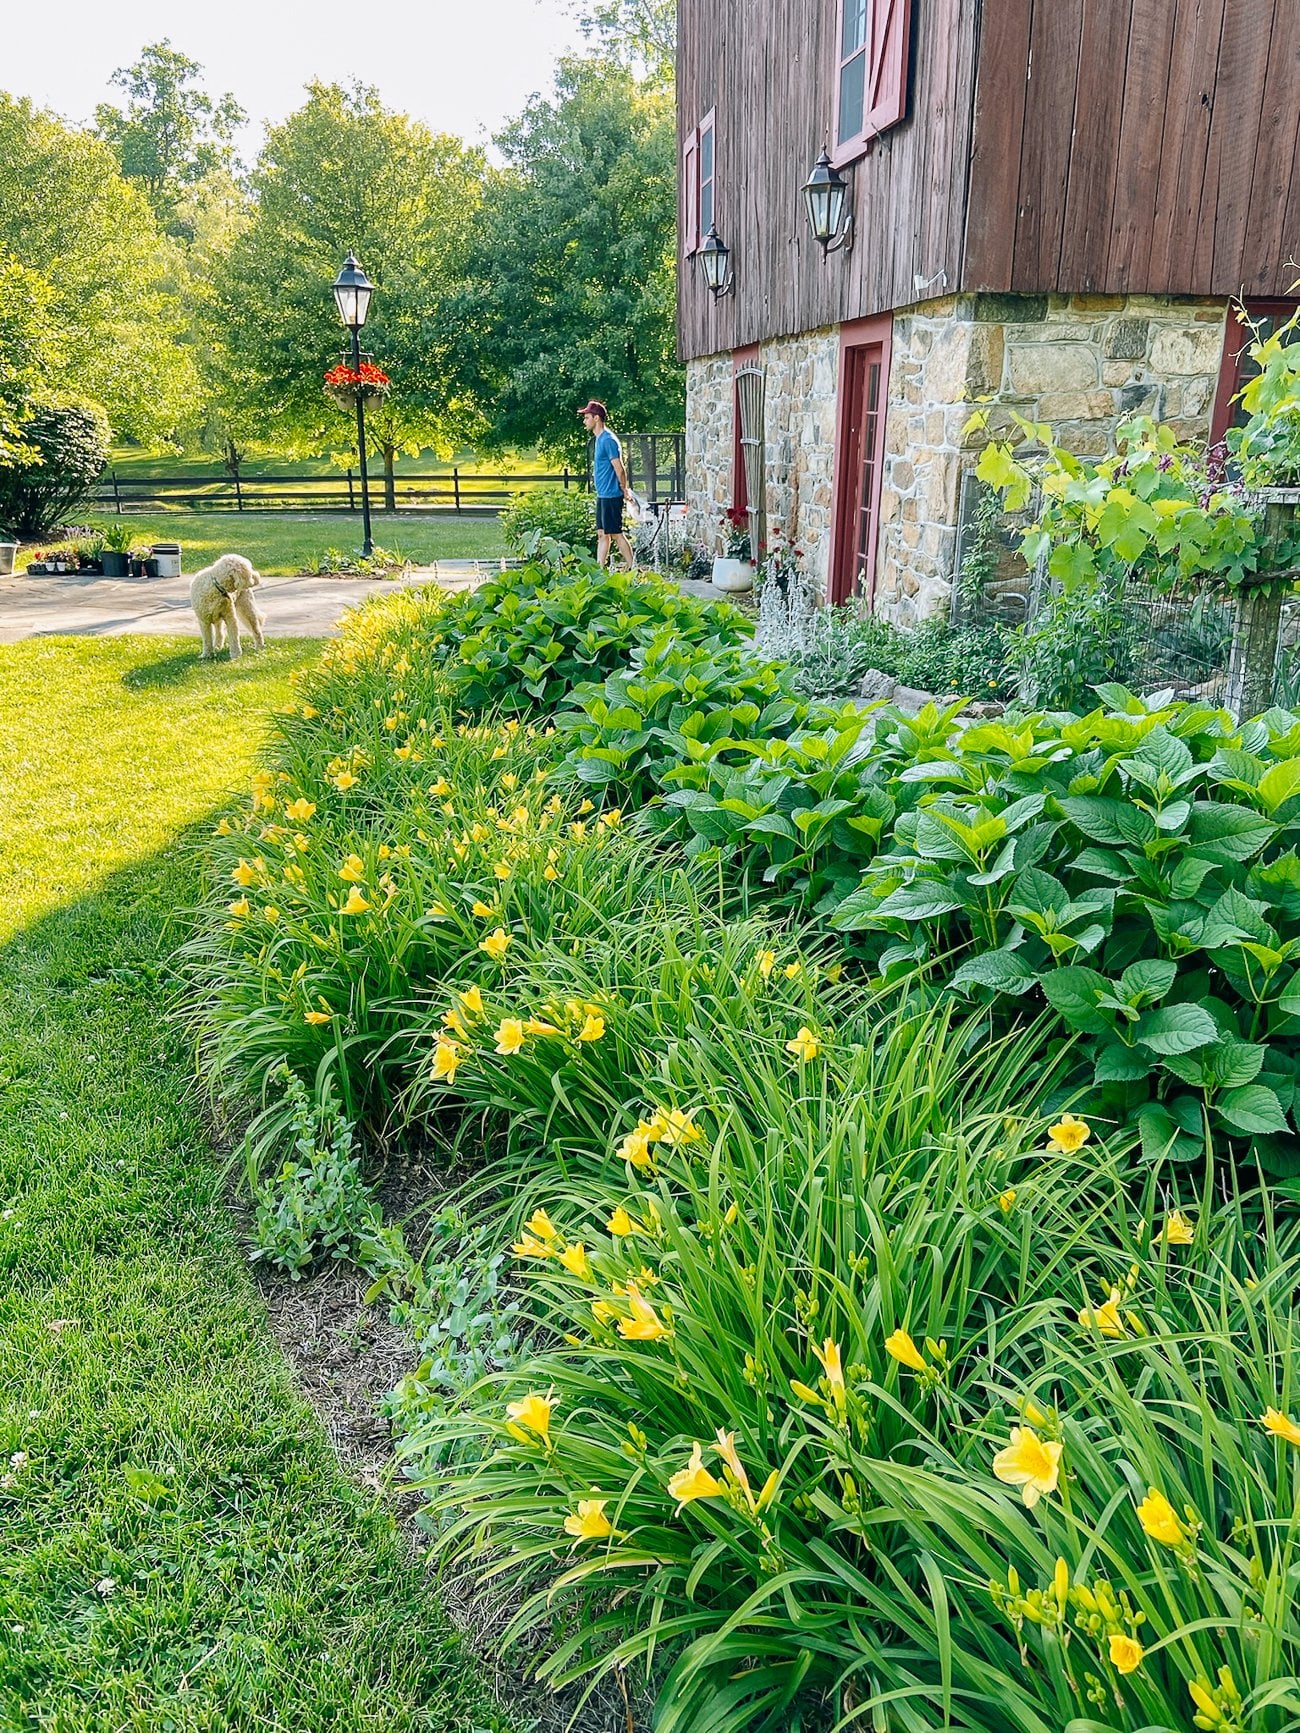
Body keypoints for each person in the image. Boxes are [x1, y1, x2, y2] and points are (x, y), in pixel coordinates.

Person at [578, 400, 636, 570]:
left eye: (587, 417)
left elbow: (620, 469)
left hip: (612, 495)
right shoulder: (599, 440)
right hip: (603, 495)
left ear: (596, 418)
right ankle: (598, 571)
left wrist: (624, 489)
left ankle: (634, 568)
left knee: (617, 534)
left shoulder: (608, 440)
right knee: (602, 534)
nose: (584, 421)